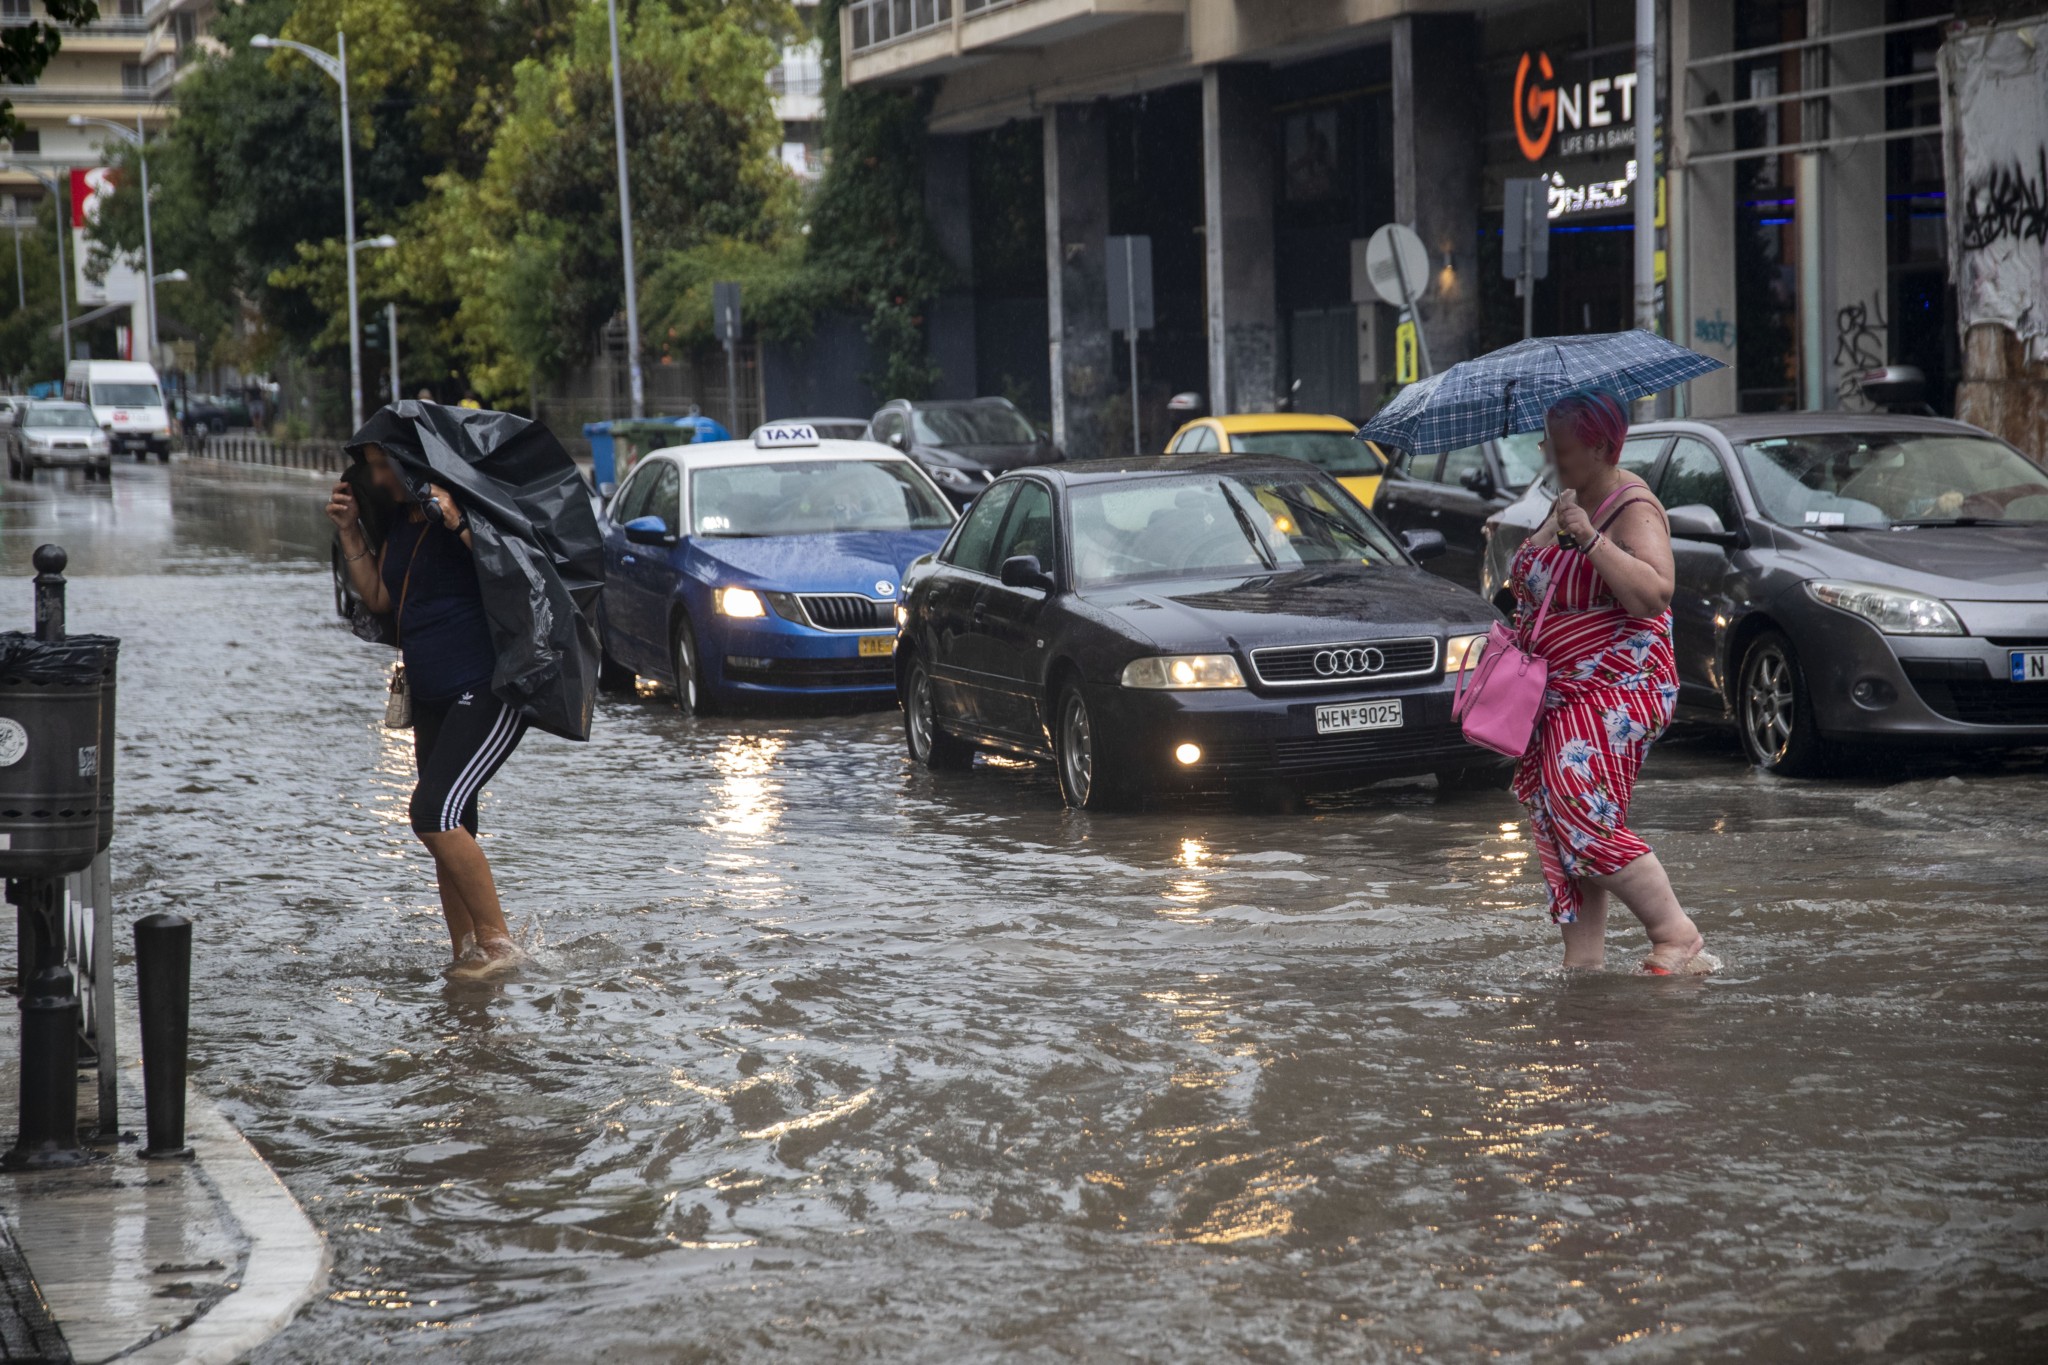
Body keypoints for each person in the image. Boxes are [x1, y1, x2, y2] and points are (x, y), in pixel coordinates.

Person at [1507, 389, 1715, 975]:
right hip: (1556, 688)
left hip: (1620, 686)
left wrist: (1590, 538)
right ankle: (1585, 965)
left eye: (1561, 441)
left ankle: (1676, 934)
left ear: (1599, 444)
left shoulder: (1632, 505)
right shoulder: (1565, 500)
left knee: (1576, 802)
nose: (1548, 450)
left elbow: (1653, 594)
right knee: (1560, 814)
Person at [327, 445, 528, 980]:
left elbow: (512, 571)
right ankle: (467, 953)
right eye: (368, 466)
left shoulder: (464, 509)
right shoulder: (401, 522)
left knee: (431, 812)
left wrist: (458, 519)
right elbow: (379, 597)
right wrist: (351, 531)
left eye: (380, 463)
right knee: (452, 824)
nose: (374, 475)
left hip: (485, 693)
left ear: (410, 460)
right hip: (433, 698)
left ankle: (500, 947)